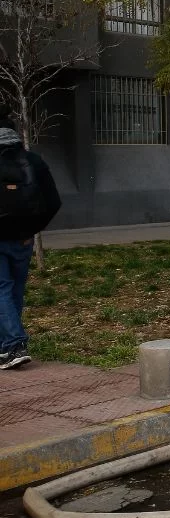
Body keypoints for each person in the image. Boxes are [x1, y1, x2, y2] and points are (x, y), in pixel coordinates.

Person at [0, 116, 60, 370]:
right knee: (13, 290)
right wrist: (32, 231)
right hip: (23, 240)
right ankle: (8, 345)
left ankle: (14, 343)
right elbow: (53, 202)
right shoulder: (33, 161)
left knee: (1, 289)